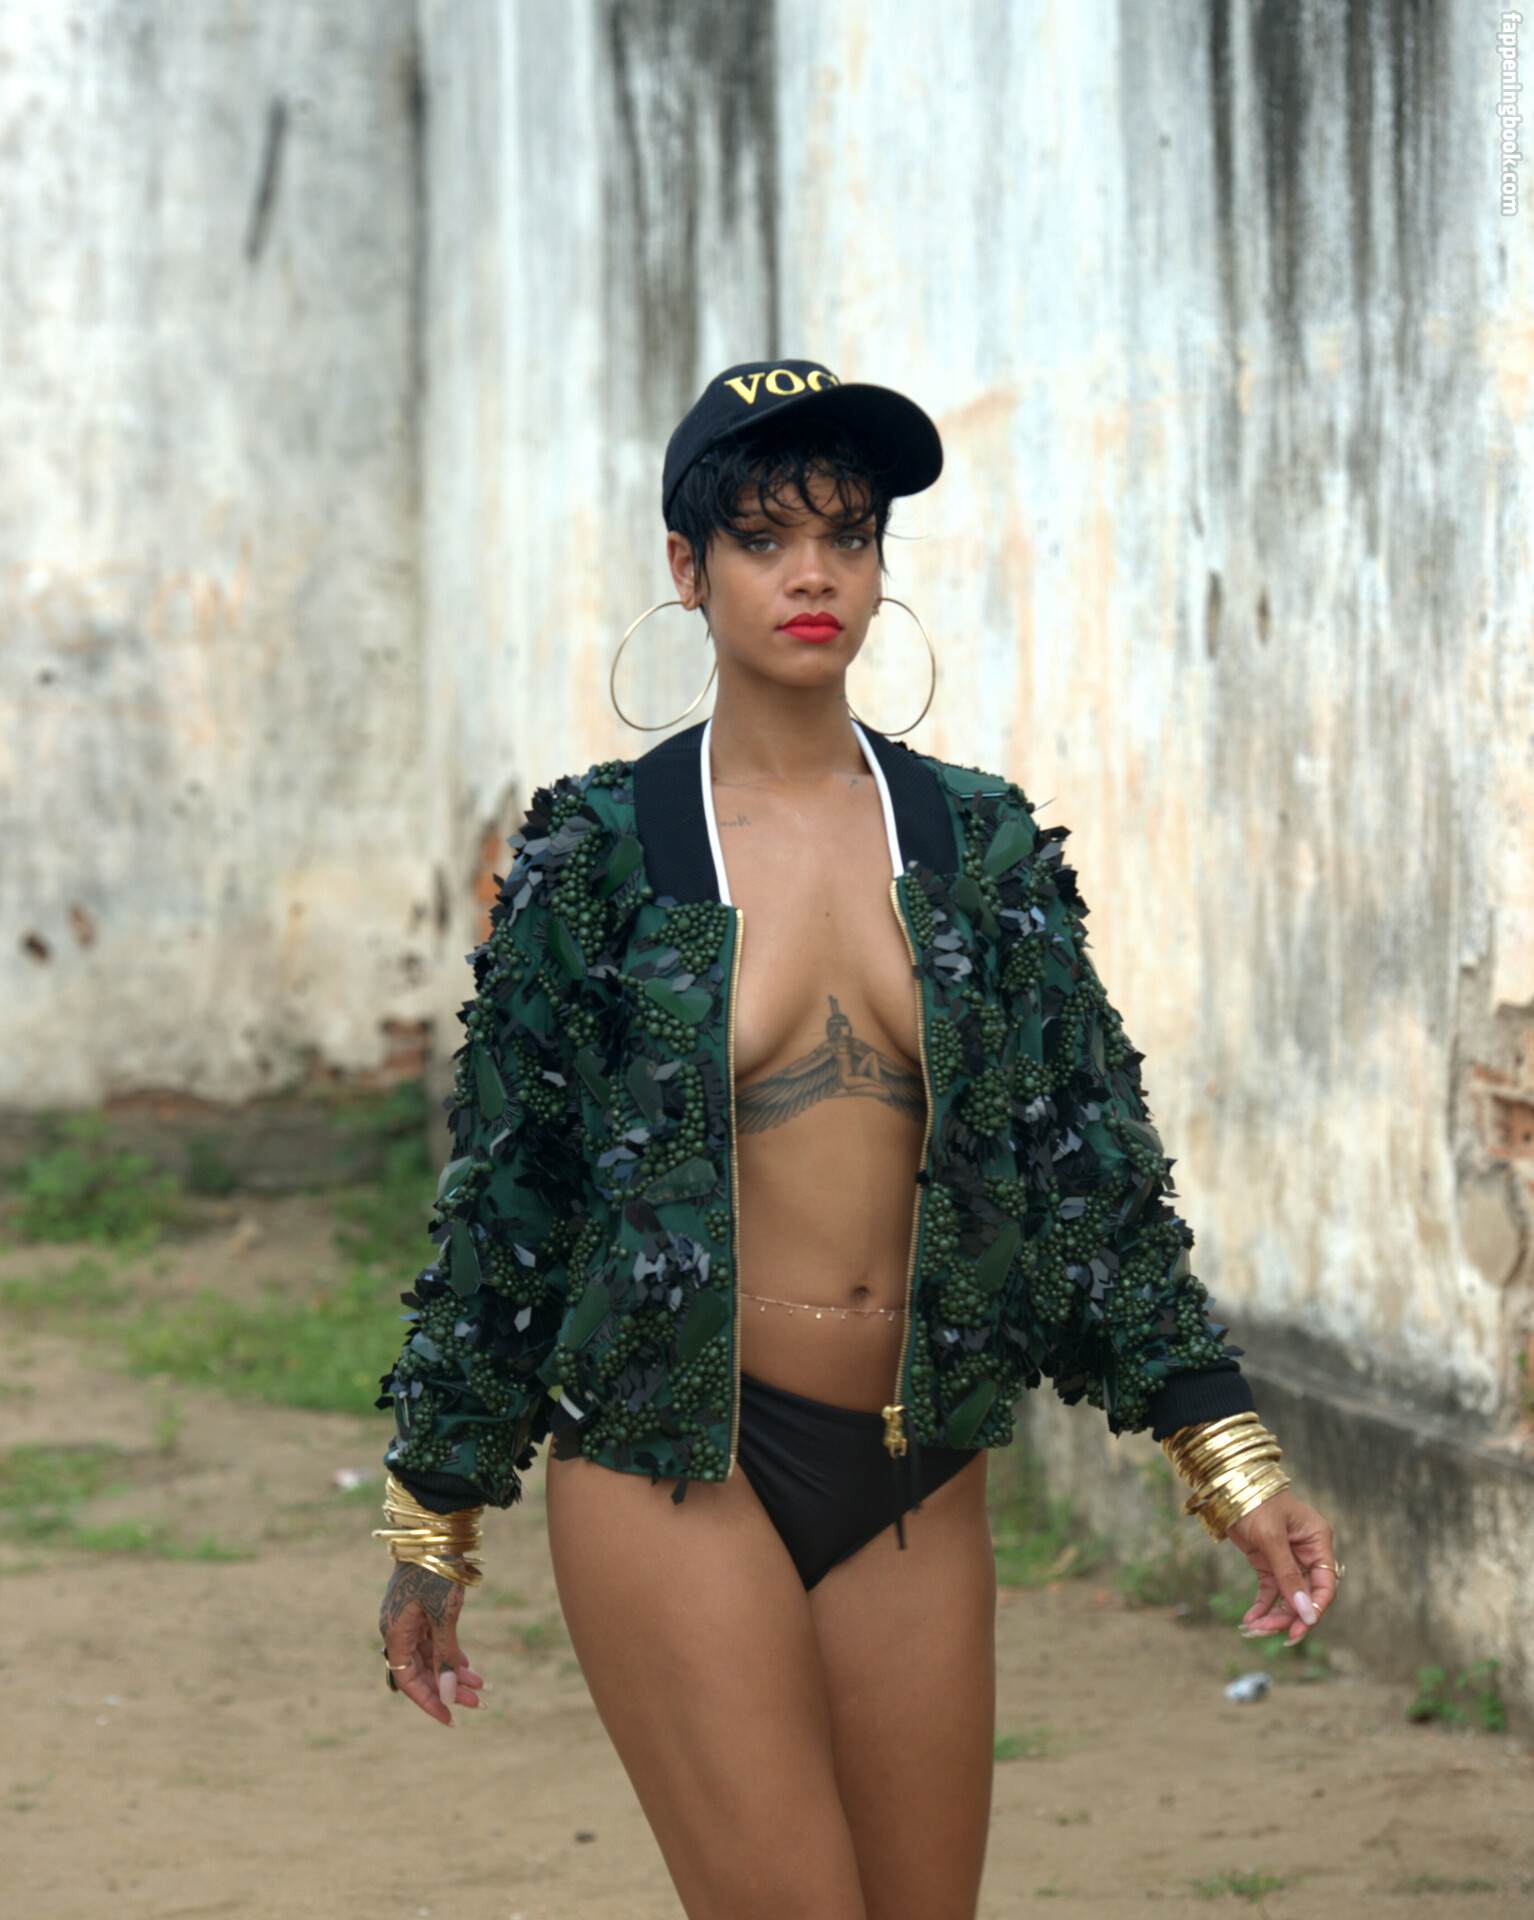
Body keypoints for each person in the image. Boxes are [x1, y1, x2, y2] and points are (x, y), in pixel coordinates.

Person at [374, 360, 1339, 1920]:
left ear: (883, 567)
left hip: (913, 1462)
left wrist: (1224, 1453)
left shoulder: (977, 841)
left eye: (848, 535)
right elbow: (511, 1197)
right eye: (762, 539)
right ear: (687, 569)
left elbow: (1091, 1163)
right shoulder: (601, 852)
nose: (811, 573)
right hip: (675, 1463)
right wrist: (435, 1515)